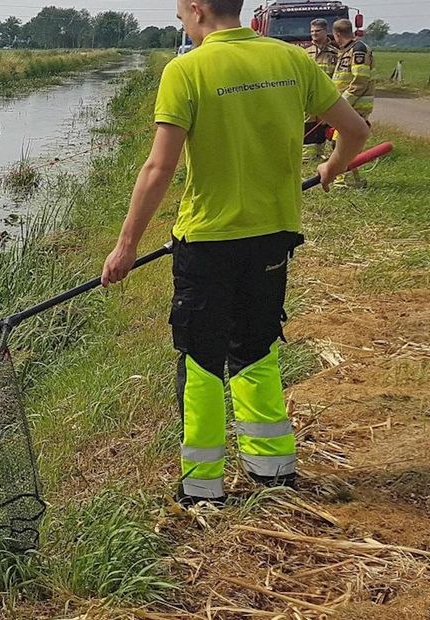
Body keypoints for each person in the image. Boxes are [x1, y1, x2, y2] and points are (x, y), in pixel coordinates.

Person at [100, 0, 369, 506]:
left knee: (201, 361)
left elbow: (159, 168)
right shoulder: (292, 62)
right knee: (258, 348)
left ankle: (203, 492)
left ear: (198, 9)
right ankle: (273, 474)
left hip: (207, 241)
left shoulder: (187, 68)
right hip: (273, 236)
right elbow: (354, 131)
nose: (181, 21)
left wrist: (126, 246)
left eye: (180, 13)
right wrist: (334, 166)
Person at [331, 18, 375, 188]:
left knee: (341, 141)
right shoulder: (346, 50)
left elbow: (360, 81)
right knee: (345, 141)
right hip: (348, 104)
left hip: (356, 105)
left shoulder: (358, 51)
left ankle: (341, 179)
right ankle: (354, 179)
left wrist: (341, 102)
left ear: (337, 34)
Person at [303, 18, 339, 162]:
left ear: (326, 32)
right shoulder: (305, 53)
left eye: (317, 31)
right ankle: (308, 156)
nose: (314, 34)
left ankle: (323, 153)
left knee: (327, 125)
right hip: (309, 95)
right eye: (312, 31)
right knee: (308, 124)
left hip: (328, 95)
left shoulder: (335, 53)